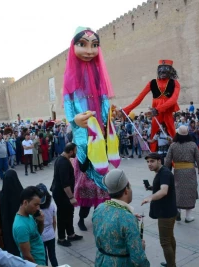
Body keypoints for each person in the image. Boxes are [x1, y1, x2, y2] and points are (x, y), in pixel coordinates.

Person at [62, 26, 120, 194]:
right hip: (83, 130)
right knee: (87, 162)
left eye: (94, 45)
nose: (89, 51)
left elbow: (103, 99)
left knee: (102, 159)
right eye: (83, 44)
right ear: (73, 46)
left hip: (99, 128)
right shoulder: (70, 75)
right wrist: (74, 120)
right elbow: (68, 102)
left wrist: (109, 114)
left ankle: (107, 194)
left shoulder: (97, 72)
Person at [92, 169, 150, 267]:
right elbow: (139, 260)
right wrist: (141, 247)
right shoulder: (128, 219)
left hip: (101, 262)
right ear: (126, 190)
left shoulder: (99, 208)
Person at [120, 59, 181, 152]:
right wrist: (126, 109)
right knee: (153, 134)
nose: (163, 71)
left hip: (166, 112)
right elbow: (139, 98)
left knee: (172, 134)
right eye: (161, 68)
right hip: (156, 114)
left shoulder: (175, 83)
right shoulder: (152, 83)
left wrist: (157, 109)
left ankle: (176, 157)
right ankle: (153, 158)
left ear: (170, 70)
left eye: (166, 68)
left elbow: (173, 100)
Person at [142, 153, 177, 267]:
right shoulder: (162, 172)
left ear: (159, 161)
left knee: (165, 242)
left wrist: (150, 198)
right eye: (147, 162)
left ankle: (171, 265)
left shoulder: (165, 173)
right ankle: (171, 262)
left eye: (152, 161)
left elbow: (164, 191)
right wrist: (152, 188)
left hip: (166, 213)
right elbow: (163, 186)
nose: (149, 164)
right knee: (170, 238)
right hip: (169, 210)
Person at [164, 126, 199, 222]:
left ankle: (177, 211)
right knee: (190, 192)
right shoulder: (193, 145)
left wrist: (165, 172)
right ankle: (188, 216)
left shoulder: (173, 145)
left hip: (178, 171)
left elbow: (168, 160)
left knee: (178, 191)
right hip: (190, 172)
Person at [51, 143, 83, 247]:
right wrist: (71, 197)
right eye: (75, 150)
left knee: (69, 213)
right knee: (62, 215)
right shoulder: (63, 162)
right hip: (62, 194)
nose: (76, 152)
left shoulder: (62, 159)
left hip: (62, 193)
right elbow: (65, 184)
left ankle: (71, 234)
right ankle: (61, 238)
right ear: (70, 152)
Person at [12, 186, 46, 265]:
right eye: (36, 205)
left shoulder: (30, 215)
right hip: (35, 263)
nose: (38, 208)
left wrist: (41, 221)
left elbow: (37, 234)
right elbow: (27, 256)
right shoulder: (21, 226)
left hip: (40, 260)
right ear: (25, 203)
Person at [36, 183, 59, 267]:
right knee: (53, 256)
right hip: (51, 234)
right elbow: (54, 221)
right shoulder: (52, 205)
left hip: (40, 236)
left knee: (44, 258)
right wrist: (53, 232)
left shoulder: (36, 208)